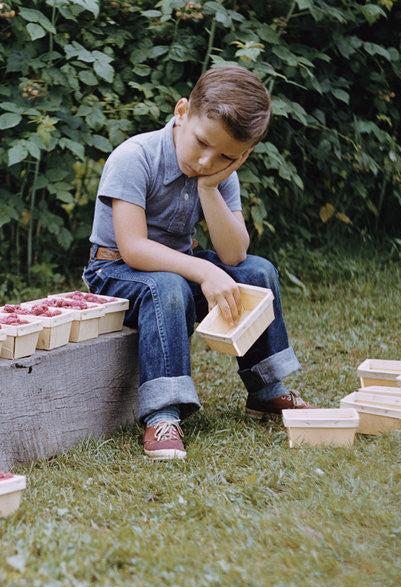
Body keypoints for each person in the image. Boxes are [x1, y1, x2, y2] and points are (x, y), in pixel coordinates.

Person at [82, 65, 314, 461]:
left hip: (178, 267)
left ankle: (265, 392)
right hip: (116, 270)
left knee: (258, 271)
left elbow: (234, 254)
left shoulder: (219, 171)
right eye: (202, 143)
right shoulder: (135, 157)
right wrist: (205, 271)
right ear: (182, 111)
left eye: (225, 155)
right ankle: (162, 413)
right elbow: (135, 248)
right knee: (168, 285)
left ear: (241, 155)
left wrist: (208, 188)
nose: (207, 160)